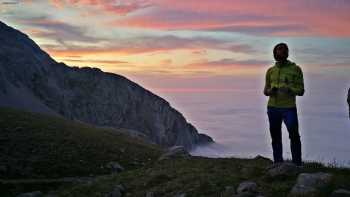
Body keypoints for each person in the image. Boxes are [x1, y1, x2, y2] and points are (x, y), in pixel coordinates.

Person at [263, 43, 305, 166]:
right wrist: (271, 91)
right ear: (274, 53)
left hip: (289, 108)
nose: (280, 52)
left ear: (287, 53)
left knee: (294, 136)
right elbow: (265, 91)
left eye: (283, 50)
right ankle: (277, 164)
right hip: (272, 108)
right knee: (275, 137)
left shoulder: (295, 69)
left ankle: (297, 164)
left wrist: (290, 89)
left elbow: (301, 90)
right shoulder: (270, 71)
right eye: (278, 50)